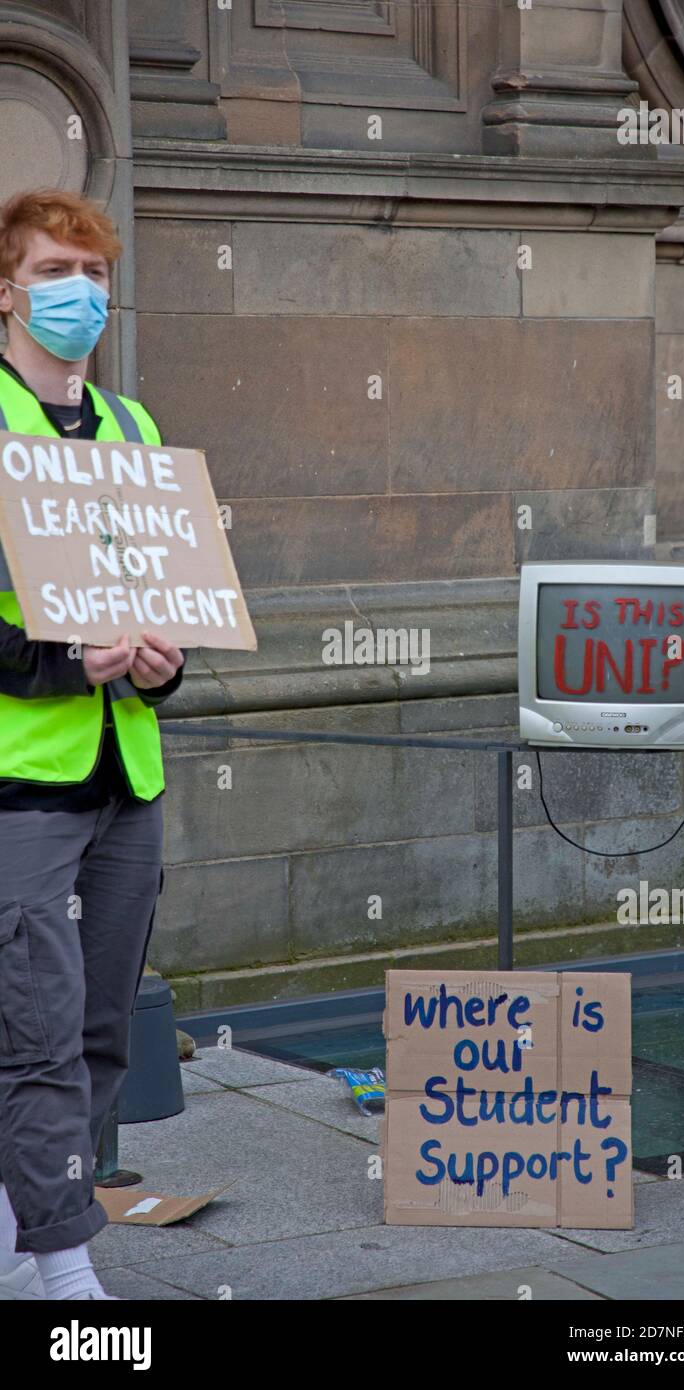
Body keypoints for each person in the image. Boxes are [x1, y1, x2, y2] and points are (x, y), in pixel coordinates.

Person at [0, 189, 185, 1301]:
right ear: (6, 290)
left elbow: (169, 597)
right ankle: (62, 1268)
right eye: (56, 271)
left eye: (95, 274)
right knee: (38, 1034)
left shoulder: (135, 428)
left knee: (102, 1029)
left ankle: (20, 1236)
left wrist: (165, 664)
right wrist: (70, 663)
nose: (80, 293)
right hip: (25, 783)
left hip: (128, 776)